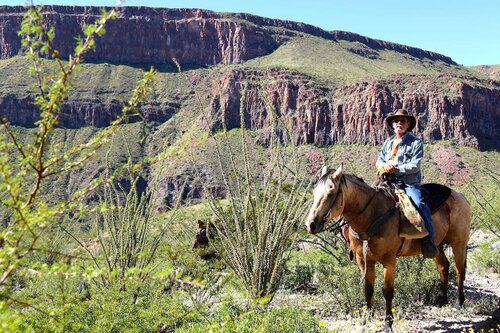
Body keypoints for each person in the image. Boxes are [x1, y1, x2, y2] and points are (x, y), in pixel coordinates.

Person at [376, 109, 439, 258]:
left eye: (403, 121)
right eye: (396, 120)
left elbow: (415, 165)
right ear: (392, 124)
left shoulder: (415, 142)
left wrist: (395, 169)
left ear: (408, 124)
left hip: (408, 184)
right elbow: (379, 160)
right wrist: (383, 167)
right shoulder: (388, 142)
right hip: (387, 182)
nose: (399, 123)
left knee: (419, 203)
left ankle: (429, 240)